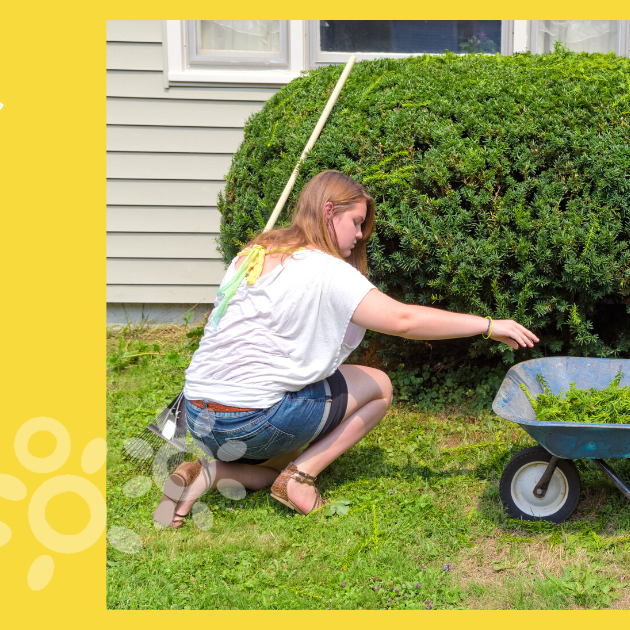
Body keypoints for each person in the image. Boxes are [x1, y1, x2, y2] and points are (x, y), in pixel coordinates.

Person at [153, 170, 538, 525]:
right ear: (328, 212)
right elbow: (403, 321)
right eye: (356, 223)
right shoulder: (326, 268)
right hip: (250, 421)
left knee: (275, 461)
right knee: (379, 387)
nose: (358, 237)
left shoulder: (251, 254)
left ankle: (208, 472)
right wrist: (487, 326)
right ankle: (300, 479)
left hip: (196, 416)